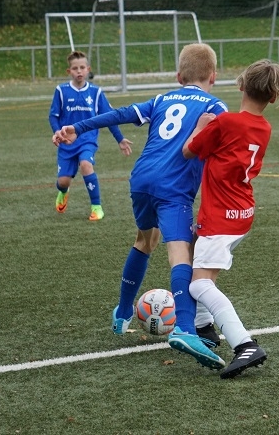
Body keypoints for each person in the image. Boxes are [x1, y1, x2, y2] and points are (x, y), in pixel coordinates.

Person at [52, 43, 228, 369]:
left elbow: (120, 113)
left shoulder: (161, 99)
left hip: (141, 179)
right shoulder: (215, 106)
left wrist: (77, 127)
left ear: (178, 76)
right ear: (213, 77)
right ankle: (185, 328)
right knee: (181, 253)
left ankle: (122, 312)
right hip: (173, 186)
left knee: (146, 240)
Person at [183, 59, 279, 379]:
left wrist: (201, 126)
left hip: (221, 216)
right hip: (242, 212)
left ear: (241, 85)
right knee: (197, 258)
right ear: (273, 97)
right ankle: (205, 327)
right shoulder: (264, 127)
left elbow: (189, 150)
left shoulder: (226, 122)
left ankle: (244, 344)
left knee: (200, 283)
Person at [49, 51, 133, 221]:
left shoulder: (95, 92)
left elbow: (109, 117)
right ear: (69, 71)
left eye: (82, 67)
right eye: (75, 68)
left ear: (88, 69)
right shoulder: (61, 91)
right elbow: (53, 116)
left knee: (86, 165)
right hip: (66, 142)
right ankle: (63, 191)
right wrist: (57, 131)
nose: (79, 71)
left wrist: (120, 139)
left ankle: (96, 207)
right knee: (63, 182)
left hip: (87, 140)